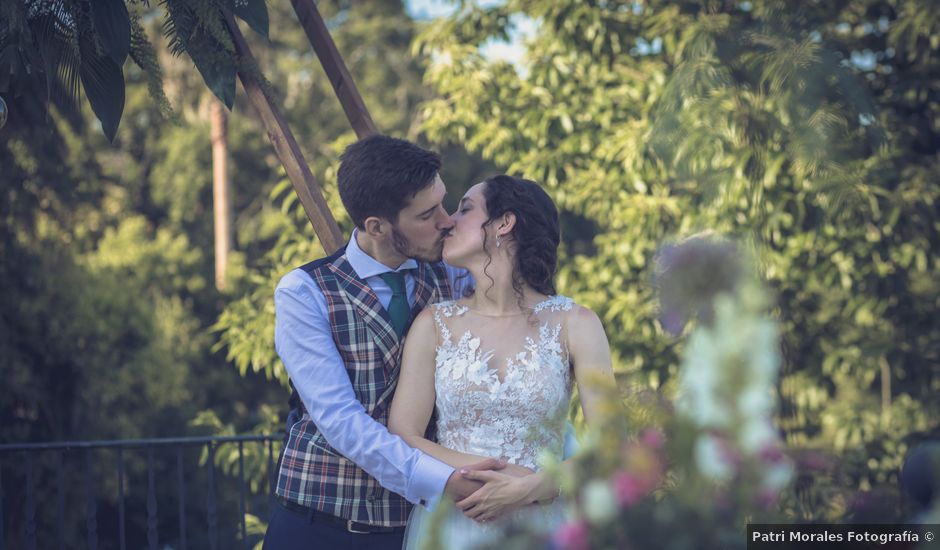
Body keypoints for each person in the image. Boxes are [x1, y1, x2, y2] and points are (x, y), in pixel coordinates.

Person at [263, 135, 513, 550]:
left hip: (417, 530)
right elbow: (342, 421)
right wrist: (441, 480)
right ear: (377, 227)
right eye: (427, 215)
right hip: (318, 525)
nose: (447, 221)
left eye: (444, 204)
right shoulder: (304, 292)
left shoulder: (453, 277)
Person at [389, 175, 616, 549]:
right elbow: (404, 433)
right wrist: (490, 475)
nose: (448, 221)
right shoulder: (434, 323)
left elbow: (611, 446)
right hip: (454, 525)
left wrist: (528, 487)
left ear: (504, 224)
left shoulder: (577, 324)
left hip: (543, 525)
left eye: (464, 209)